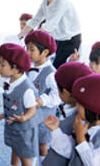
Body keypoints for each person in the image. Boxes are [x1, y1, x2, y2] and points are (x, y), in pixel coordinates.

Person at [18, 0, 81, 69]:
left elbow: (50, 25)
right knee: (46, 65)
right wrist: (19, 36)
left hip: (69, 40)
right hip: (57, 38)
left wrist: (32, 38)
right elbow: (36, 20)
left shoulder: (61, 1)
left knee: (58, 69)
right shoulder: (46, 0)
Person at [0, 43, 39, 166]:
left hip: (24, 132)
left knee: (25, 157)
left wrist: (24, 117)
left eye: (3, 64)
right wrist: (5, 114)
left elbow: (32, 109)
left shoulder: (26, 89)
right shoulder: (10, 81)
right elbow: (15, 104)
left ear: (16, 69)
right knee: (15, 149)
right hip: (14, 128)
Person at [42, 62, 93, 166]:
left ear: (65, 92)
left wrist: (55, 131)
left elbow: (72, 153)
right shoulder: (70, 108)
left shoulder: (79, 120)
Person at [24, 30, 61, 163]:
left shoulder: (50, 74)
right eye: (27, 48)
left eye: (32, 49)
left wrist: (43, 100)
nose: (27, 52)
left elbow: (57, 96)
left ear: (45, 52)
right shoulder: (29, 67)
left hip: (43, 118)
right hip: (29, 116)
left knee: (41, 145)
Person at [70, 74, 100, 165]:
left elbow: (95, 163)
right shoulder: (88, 123)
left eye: (80, 105)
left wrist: (81, 139)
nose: (76, 107)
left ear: (92, 110)